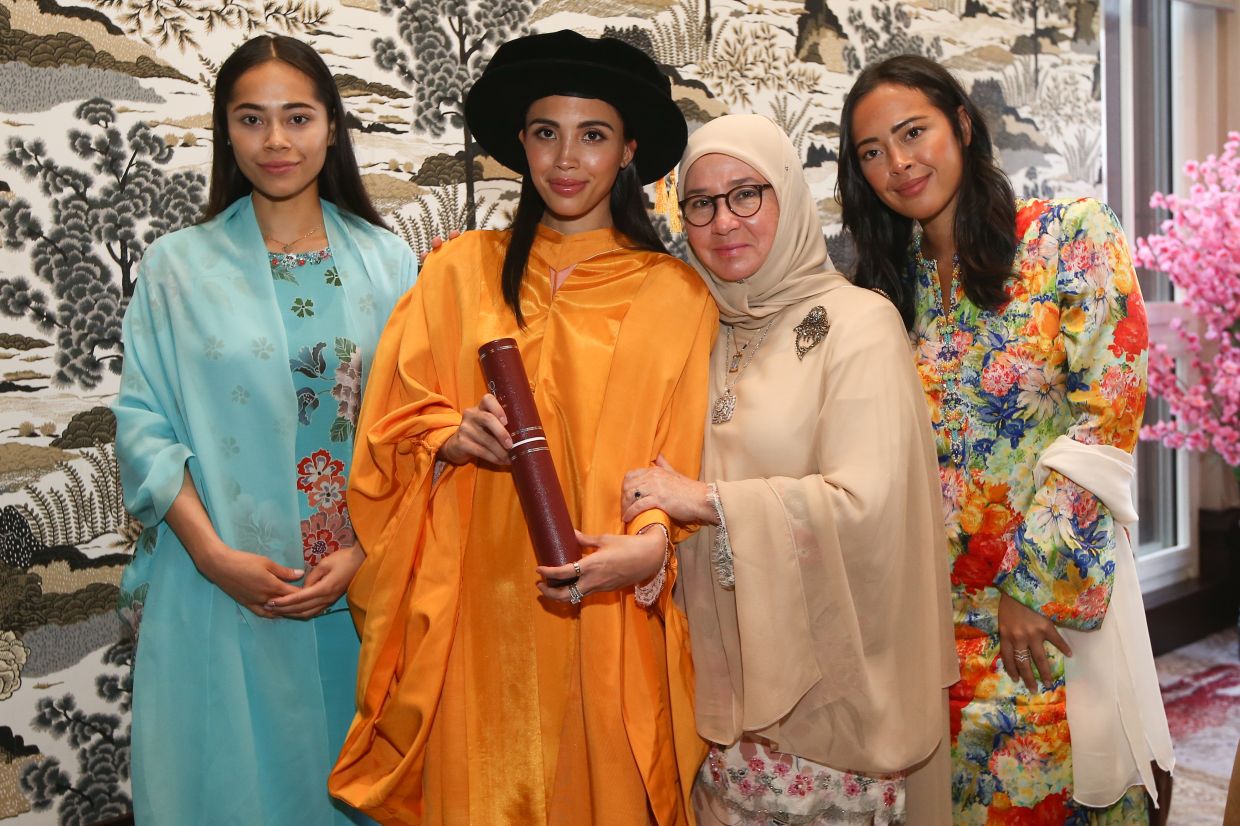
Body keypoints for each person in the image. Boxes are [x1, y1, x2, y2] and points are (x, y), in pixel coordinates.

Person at [327, 31, 716, 824]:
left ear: (629, 149)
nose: (566, 158)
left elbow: (684, 463)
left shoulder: (676, 296)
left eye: (594, 135)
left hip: (600, 613)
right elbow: (385, 434)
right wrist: (445, 435)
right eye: (546, 132)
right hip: (476, 609)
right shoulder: (456, 272)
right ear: (521, 144)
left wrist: (650, 547)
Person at [837, 55, 1173, 822]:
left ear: (960, 123)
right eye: (872, 152)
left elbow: (1108, 414)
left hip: (1048, 614)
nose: (899, 163)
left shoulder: (1068, 235)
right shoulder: (885, 291)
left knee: (1057, 793)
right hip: (931, 626)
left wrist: (1033, 587)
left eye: (912, 132)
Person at [621, 113, 958, 825]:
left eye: (748, 193)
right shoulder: (695, 329)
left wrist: (711, 500)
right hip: (718, 702)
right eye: (701, 203)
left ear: (789, 199)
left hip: (828, 708)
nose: (723, 221)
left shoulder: (859, 324)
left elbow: (868, 507)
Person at [113, 35, 416, 824]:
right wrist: (214, 556)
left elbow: (417, 429)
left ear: (332, 128)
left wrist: (361, 552)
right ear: (226, 131)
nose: (276, 141)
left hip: (361, 589)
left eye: (297, 117)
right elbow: (144, 425)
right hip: (217, 587)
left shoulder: (391, 265)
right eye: (251, 119)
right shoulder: (177, 268)